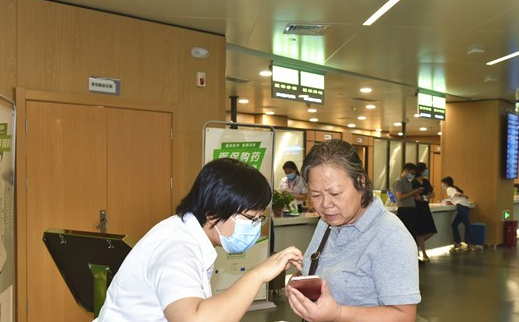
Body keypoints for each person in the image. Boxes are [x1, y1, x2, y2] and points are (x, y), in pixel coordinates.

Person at [96, 158, 303, 322]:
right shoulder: (177, 248)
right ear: (213, 212)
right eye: (251, 219)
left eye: (260, 218)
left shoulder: (186, 234)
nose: (256, 226)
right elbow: (194, 318)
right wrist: (258, 275)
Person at [286, 139, 420, 322]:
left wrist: (338, 314)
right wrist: (297, 284)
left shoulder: (391, 236)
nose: (325, 204)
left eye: (335, 193)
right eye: (315, 195)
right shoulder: (327, 223)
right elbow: (318, 272)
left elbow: (404, 317)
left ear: (361, 182)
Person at [441, 176, 476, 251]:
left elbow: (457, 195)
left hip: (461, 207)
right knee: (454, 225)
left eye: (442, 183)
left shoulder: (449, 189)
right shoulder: (453, 188)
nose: (442, 185)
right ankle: (458, 242)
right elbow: (455, 199)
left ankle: (471, 243)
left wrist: (465, 195)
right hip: (464, 206)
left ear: (445, 183)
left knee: (467, 224)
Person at [412, 162, 437, 261]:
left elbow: (432, 194)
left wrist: (425, 196)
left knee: (431, 230)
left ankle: (417, 244)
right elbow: (416, 197)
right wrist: (424, 197)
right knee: (420, 232)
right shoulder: (413, 182)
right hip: (417, 208)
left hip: (425, 207)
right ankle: (424, 253)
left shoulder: (426, 181)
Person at [393, 163, 423, 240]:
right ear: (406, 171)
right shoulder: (398, 182)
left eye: (414, 174)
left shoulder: (408, 181)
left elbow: (409, 195)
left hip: (411, 209)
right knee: (408, 233)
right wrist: (413, 192)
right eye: (411, 173)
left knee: (413, 233)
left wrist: (416, 194)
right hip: (404, 210)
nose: (412, 175)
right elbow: (400, 197)